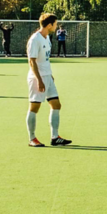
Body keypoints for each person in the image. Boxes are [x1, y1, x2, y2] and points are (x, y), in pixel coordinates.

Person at [26, 13, 72, 147]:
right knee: (34, 107)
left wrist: (49, 75)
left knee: (56, 104)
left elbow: (45, 59)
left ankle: (55, 137)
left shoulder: (47, 38)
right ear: (50, 25)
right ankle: (32, 138)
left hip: (48, 77)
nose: (56, 27)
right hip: (37, 78)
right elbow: (32, 61)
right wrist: (39, 80)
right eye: (55, 24)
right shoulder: (35, 39)